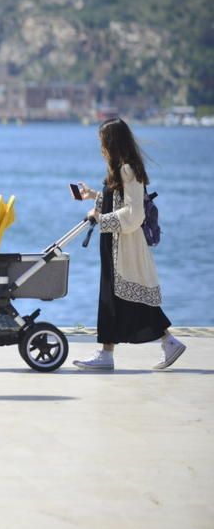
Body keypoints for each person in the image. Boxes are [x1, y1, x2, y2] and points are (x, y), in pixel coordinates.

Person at [72, 117, 186, 371]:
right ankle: (115, 352)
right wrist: (94, 196)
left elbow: (135, 215)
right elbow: (120, 200)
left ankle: (112, 353)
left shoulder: (128, 169)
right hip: (114, 242)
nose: (101, 147)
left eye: (103, 141)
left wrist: (101, 218)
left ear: (112, 142)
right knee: (118, 298)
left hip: (122, 246)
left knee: (121, 297)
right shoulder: (122, 168)